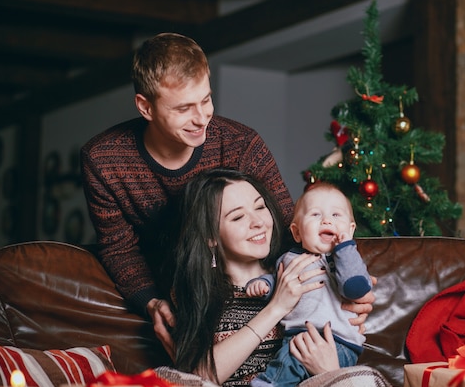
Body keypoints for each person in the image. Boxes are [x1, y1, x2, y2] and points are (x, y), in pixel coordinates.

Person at [79, 32, 320, 357]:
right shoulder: (103, 160)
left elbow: (288, 227)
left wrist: (331, 287)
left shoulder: (241, 144)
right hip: (185, 297)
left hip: (257, 291)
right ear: (145, 107)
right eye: (183, 108)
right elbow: (119, 249)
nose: (201, 118)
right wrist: (151, 301)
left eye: (206, 100)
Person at [168, 169, 443, 387]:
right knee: (167, 381)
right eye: (238, 216)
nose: (258, 223)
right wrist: (277, 307)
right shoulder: (199, 292)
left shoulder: (305, 264)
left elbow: (352, 291)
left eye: (260, 207)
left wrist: (330, 372)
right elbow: (199, 378)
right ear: (210, 236)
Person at [246, 182, 372, 387]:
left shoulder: (346, 260)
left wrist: (345, 249)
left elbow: (355, 288)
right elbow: (277, 282)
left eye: (336, 214)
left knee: (291, 361)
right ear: (296, 232)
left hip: (339, 342)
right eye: (315, 214)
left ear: (351, 230)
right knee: (288, 361)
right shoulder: (288, 259)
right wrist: (263, 285)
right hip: (296, 335)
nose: (327, 220)